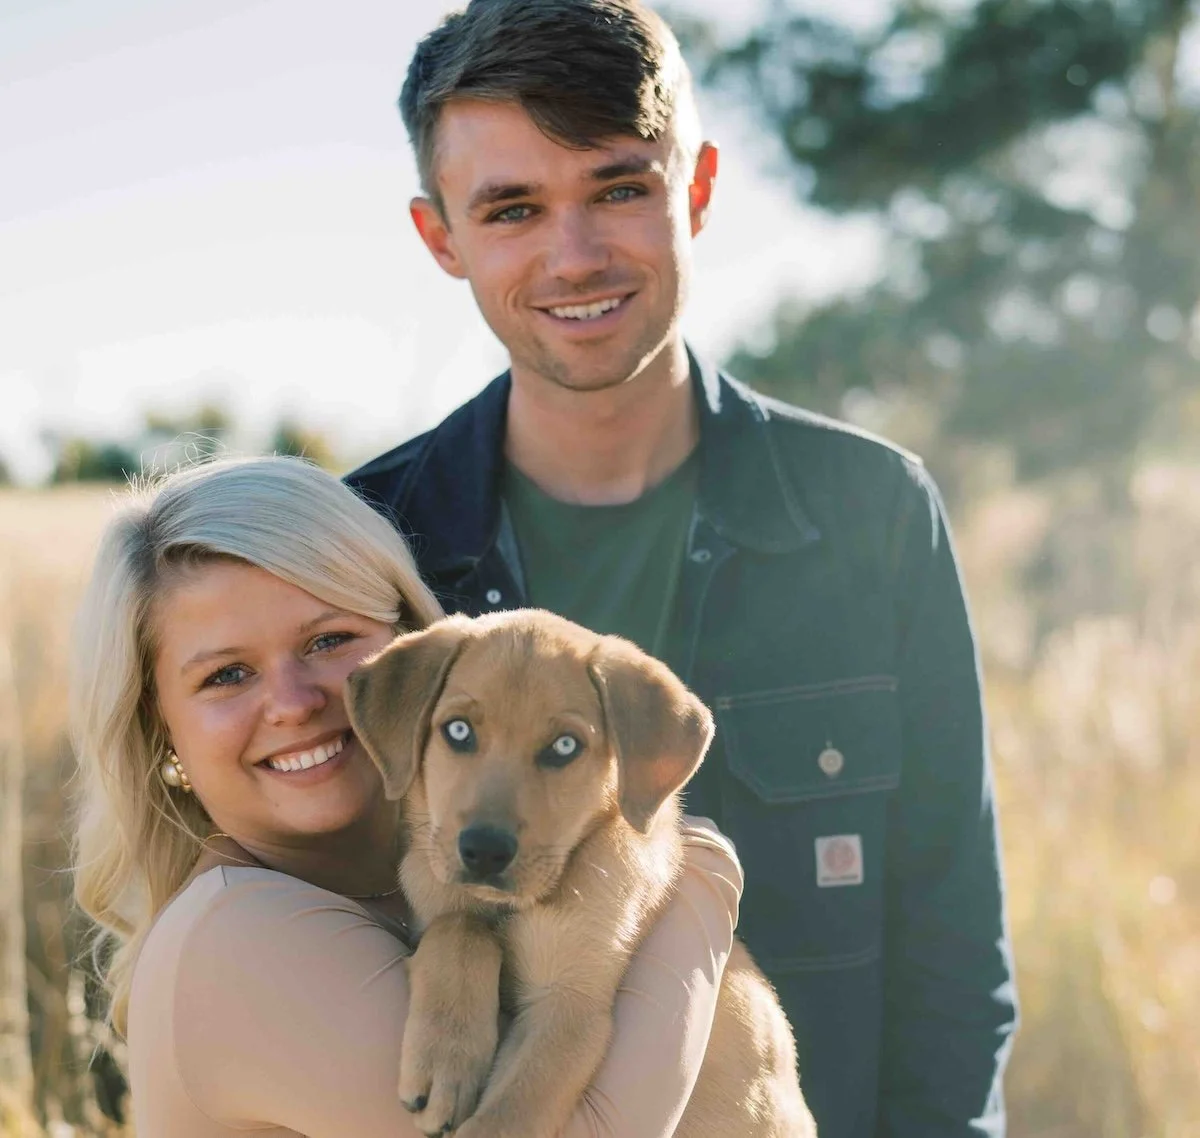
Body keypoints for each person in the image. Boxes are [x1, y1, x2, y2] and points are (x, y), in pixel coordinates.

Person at [345, 1, 1019, 1135]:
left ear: (696, 188)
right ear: (441, 238)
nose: (576, 255)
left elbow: (953, 959)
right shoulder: (374, 541)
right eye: (513, 208)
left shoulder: (871, 514)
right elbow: (319, 896)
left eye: (619, 188)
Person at [69, 455, 745, 1138]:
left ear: (408, 645)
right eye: (227, 674)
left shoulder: (424, 888)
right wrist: (704, 882)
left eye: (329, 640)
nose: (295, 703)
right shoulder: (236, 940)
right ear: (160, 729)